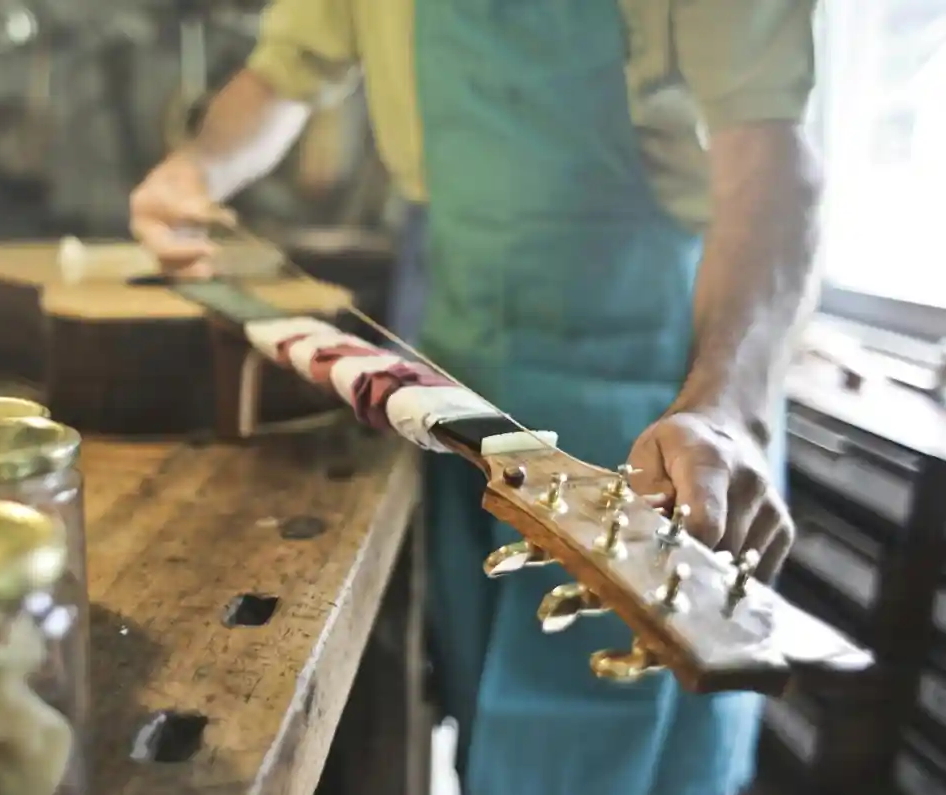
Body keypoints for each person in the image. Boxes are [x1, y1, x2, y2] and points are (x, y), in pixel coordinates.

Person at [130, 2, 819, 794]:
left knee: (618, 732)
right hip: (456, 389)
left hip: (659, 405)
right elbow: (280, 73)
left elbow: (769, 160)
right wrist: (195, 171)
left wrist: (726, 405)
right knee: (482, 718)